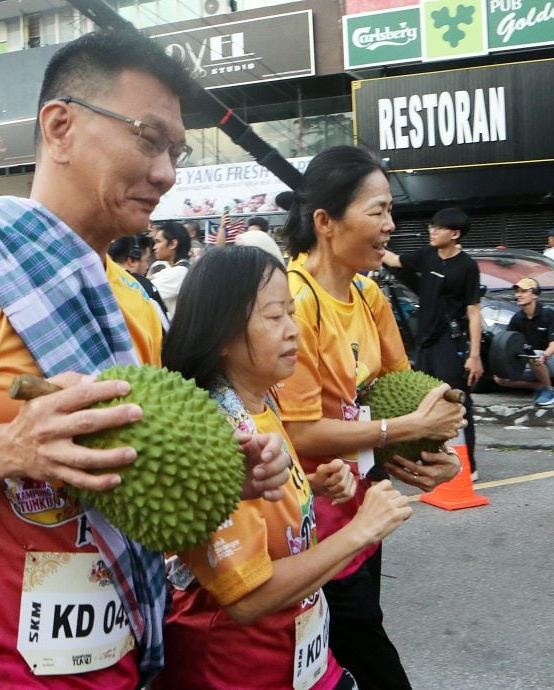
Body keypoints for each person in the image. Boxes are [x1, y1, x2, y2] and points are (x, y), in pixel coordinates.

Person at [0, 29, 291, 689]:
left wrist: (217, 473)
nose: (167, 172)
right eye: (147, 137)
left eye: (176, 150)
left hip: (120, 658)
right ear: (60, 126)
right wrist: (10, 448)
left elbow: (138, 480)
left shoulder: (138, 305)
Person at [155, 246, 411, 689]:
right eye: (275, 317)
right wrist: (359, 531)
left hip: (296, 659)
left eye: (292, 314)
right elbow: (248, 598)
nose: (293, 331)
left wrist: (308, 485)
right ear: (223, 334)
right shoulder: (213, 433)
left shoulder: (259, 402)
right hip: (235, 670)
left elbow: (256, 511)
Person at [278, 146, 463, 690]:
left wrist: (437, 458)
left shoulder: (368, 295)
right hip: (308, 526)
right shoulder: (293, 301)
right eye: (377, 211)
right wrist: (403, 431)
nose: (390, 226)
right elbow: (300, 431)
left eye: (389, 212)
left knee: (339, 652)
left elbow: (407, 397)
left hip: (364, 514)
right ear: (325, 222)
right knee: (363, 653)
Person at [382, 207, 483, 480]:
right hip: (424, 342)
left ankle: (467, 464)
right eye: (431, 226)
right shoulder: (427, 255)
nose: (432, 231)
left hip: (449, 342)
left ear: (455, 234)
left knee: (455, 401)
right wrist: (372, 243)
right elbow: (394, 260)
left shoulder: (467, 266)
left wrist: (475, 355)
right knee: (422, 401)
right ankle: (427, 457)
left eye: (438, 228)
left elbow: (474, 311)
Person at [493, 277, 554, 406]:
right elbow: (510, 344)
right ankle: (540, 386)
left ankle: (549, 391)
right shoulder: (517, 318)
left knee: (533, 354)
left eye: (524, 291)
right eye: (517, 292)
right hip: (532, 360)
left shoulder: (548, 314)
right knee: (499, 378)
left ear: (534, 294)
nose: (519, 295)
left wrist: (544, 356)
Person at [108, 234, 169, 328]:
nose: (147, 266)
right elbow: (164, 328)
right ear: (131, 261)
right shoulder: (144, 286)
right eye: (146, 259)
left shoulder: (101, 282)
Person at [150, 221, 191, 317]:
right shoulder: (175, 269)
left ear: (173, 244)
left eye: (158, 242)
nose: (154, 247)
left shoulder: (179, 272)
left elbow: (143, 292)